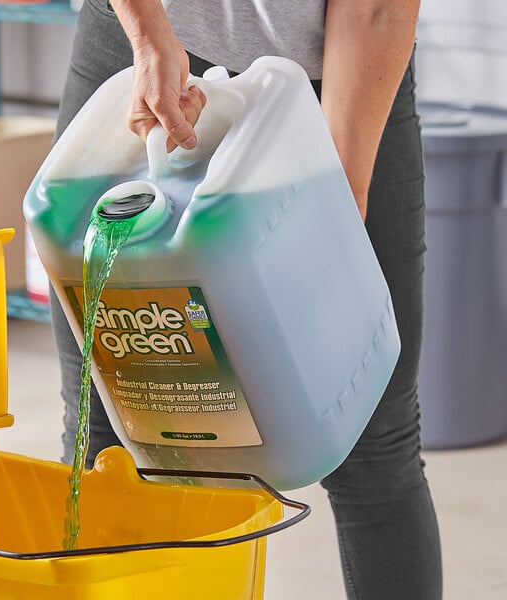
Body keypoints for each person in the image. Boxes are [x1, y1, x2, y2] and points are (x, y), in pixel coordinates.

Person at [49, 1, 443, 598]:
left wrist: (336, 190)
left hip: (338, 73)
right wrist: (148, 34)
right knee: (113, 426)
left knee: (370, 429)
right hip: (142, 53)